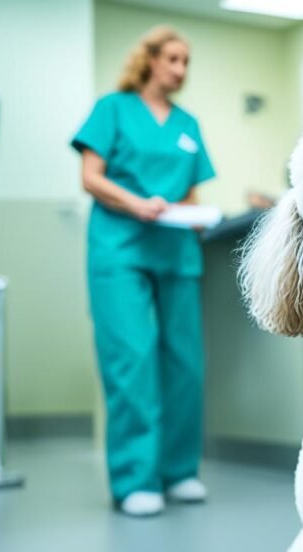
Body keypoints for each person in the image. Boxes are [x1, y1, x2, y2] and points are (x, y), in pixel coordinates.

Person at [71, 26, 216, 517]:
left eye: (186, 61)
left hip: (176, 249)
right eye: (172, 58)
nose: (180, 69)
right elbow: (90, 177)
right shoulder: (113, 108)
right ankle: (136, 478)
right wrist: (139, 205)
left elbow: (192, 192)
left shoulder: (188, 124)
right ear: (149, 59)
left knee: (184, 363)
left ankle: (179, 472)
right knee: (131, 359)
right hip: (120, 248)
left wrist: (197, 215)